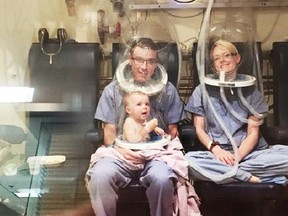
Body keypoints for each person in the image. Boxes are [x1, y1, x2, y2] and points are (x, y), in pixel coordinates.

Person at [86, 37, 188, 216]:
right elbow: (109, 134)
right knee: (100, 176)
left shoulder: (168, 90)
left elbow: (173, 132)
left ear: (156, 64)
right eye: (139, 60)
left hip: (156, 154)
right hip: (120, 154)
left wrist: (154, 151)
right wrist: (123, 151)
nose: (144, 67)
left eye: (150, 61)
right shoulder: (113, 91)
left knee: (163, 178)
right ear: (130, 60)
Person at [185, 39, 288, 185]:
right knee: (187, 162)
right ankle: (254, 177)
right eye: (216, 58)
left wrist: (237, 157)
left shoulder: (252, 93)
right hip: (216, 154)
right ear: (213, 65)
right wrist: (216, 150)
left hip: (250, 154)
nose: (222, 61)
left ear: (237, 58)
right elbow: (199, 130)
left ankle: (229, 173)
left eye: (226, 55)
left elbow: (253, 133)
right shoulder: (201, 91)